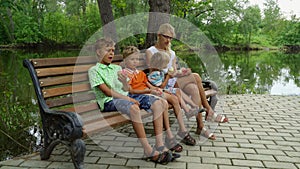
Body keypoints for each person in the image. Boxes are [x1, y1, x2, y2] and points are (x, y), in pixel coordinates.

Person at [88, 37, 178, 164]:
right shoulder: (94, 70)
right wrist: (129, 98)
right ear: (98, 52)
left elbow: (125, 88)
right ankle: (148, 151)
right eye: (108, 50)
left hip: (126, 96)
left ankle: (160, 145)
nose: (111, 53)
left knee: (159, 103)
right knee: (134, 108)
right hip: (109, 101)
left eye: (113, 50)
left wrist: (125, 82)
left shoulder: (117, 69)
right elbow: (107, 92)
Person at [145, 23, 229, 140]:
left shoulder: (171, 52)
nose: (168, 40)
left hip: (173, 80)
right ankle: (209, 110)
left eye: (170, 38)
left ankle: (200, 126)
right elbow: (153, 72)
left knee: (194, 88)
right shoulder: (151, 51)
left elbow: (173, 71)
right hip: (163, 83)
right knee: (196, 76)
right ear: (159, 35)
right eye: (166, 36)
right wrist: (171, 74)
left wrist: (181, 72)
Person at [121, 46, 195, 152]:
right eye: (132, 59)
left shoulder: (141, 73)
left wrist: (156, 90)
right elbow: (130, 90)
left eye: (137, 59)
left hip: (148, 93)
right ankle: (169, 137)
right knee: (165, 101)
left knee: (166, 100)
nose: (135, 62)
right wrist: (151, 91)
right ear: (125, 61)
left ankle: (171, 136)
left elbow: (150, 86)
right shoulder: (125, 74)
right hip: (139, 96)